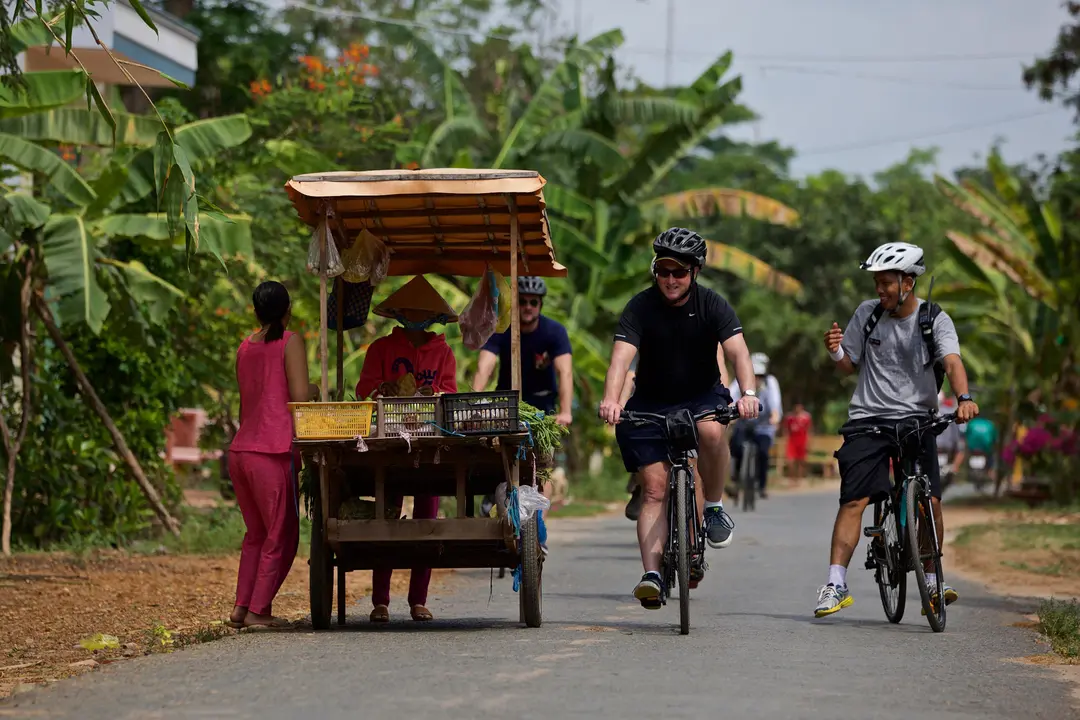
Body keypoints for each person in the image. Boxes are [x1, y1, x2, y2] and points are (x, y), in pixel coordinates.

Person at [815, 242, 979, 618]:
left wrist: (964, 397)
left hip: (917, 421)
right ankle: (835, 583)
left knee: (931, 502)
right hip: (868, 420)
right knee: (853, 501)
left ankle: (934, 581)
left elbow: (952, 361)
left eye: (886, 283)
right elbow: (849, 363)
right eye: (877, 283)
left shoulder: (934, 318)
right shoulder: (868, 314)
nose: (880, 290)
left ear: (908, 281)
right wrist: (836, 351)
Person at [598, 227, 759, 608]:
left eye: (680, 272)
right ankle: (651, 574)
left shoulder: (713, 305)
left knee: (712, 433)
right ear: (655, 271)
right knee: (654, 487)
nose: (671, 280)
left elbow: (739, 353)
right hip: (651, 402)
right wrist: (611, 399)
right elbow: (621, 359)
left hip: (701, 396)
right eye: (664, 271)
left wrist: (748, 394)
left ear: (695, 272)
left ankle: (715, 507)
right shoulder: (639, 306)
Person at [355, 275, 459, 623]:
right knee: (387, 518)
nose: (416, 317)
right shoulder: (381, 349)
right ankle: (380, 601)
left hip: (429, 446)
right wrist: (382, 387)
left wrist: (433, 395)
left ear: (432, 317)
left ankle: (418, 599)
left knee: (426, 521)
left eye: (422, 312)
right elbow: (363, 391)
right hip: (388, 444)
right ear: (399, 313)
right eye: (410, 311)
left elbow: (448, 393)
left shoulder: (443, 352)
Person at [228, 281, 313, 630]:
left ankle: (241, 606)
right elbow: (299, 398)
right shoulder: (290, 342)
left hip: (242, 450)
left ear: (255, 310)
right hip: (272, 451)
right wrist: (317, 390)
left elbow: (246, 399)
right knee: (281, 534)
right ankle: (258, 611)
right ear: (288, 308)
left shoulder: (245, 346)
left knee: (256, 534)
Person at [472, 275, 572, 550]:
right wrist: (474, 402)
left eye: (533, 302)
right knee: (496, 456)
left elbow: (564, 372)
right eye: (523, 301)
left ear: (540, 304)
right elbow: (485, 367)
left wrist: (564, 411)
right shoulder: (502, 331)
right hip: (507, 405)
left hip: (542, 408)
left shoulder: (554, 332)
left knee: (543, 468)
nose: (528, 307)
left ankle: (538, 528)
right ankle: (494, 496)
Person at [623, 347, 729, 522]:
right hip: (652, 403)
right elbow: (628, 373)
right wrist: (619, 405)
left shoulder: (706, 325)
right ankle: (640, 484)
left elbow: (720, 371)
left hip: (694, 403)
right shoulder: (646, 326)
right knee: (648, 460)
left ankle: (697, 533)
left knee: (697, 465)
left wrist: (721, 405)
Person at [728, 352, 782, 499]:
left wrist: (775, 415)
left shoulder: (771, 383)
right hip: (743, 423)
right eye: (754, 374)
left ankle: (762, 486)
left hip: (764, 426)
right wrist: (729, 414)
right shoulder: (740, 380)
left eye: (759, 376)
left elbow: (775, 402)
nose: (756, 379)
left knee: (763, 452)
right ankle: (736, 480)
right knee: (736, 446)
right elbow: (731, 396)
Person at [781, 403, 813, 480]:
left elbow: (809, 430)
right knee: (790, 460)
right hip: (792, 441)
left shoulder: (806, 417)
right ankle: (792, 478)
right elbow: (786, 429)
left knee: (801, 460)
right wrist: (785, 439)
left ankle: (799, 478)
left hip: (802, 440)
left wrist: (809, 442)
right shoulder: (789, 418)